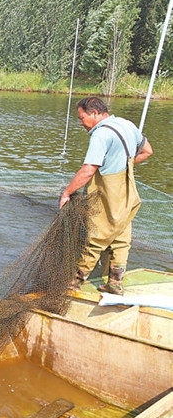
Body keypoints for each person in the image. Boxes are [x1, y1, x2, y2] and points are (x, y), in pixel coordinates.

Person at [59, 97, 153, 294]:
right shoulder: (127, 124)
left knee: (95, 237)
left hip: (108, 196)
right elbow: (147, 151)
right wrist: (125, 164)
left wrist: (67, 192)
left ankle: (73, 283)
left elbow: (88, 170)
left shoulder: (100, 134)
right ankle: (115, 284)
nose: (81, 123)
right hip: (128, 195)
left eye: (82, 118)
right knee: (121, 239)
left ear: (94, 113)